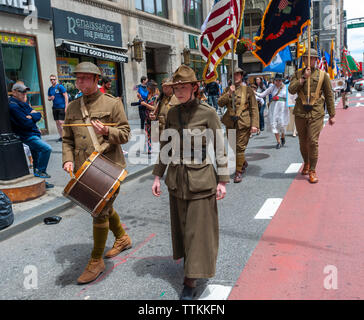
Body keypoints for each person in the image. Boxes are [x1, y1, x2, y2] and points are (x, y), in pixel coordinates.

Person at [152, 65, 229, 300]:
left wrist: (222, 180)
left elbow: (219, 147)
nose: (179, 92)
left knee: (198, 232)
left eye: (184, 87)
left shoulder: (208, 113)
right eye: (176, 88)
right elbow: (166, 146)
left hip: (201, 181)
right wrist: (157, 175)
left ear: (195, 88)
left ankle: (190, 280)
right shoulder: (172, 113)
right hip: (177, 181)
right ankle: (190, 265)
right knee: (183, 229)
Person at [62, 62, 132, 284]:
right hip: (84, 169)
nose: (80, 82)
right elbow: (67, 139)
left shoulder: (112, 103)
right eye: (78, 78)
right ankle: (122, 238)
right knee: (103, 207)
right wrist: (67, 160)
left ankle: (96, 261)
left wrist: (107, 131)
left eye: (84, 78)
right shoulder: (72, 107)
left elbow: (126, 133)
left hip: (108, 167)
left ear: (95, 80)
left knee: (99, 211)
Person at [288, 48, 336, 183]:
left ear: (316, 60)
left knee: (313, 142)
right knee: (302, 142)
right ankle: (306, 162)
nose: (308, 61)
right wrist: (303, 79)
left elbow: (329, 95)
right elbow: (291, 90)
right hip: (300, 112)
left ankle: (312, 170)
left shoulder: (323, 75)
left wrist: (332, 114)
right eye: (305, 58)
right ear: (303, 60)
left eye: (311, 58)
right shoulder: (298, 74)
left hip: (316, 112)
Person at [217, 67, 259, 183]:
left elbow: (254, 108)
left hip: (243, 123)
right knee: (232, 147)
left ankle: (238, 172)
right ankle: (243, 162)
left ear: (241, 76)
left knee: (240, 148)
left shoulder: (248, 90)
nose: (236, 76)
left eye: (238, 74)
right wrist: (229, 93)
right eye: (234, 74)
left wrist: (254, 125)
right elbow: (220, 103)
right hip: (230, 122)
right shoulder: (227, 89)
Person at [8, 83, 53, 186]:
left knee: (37, 159)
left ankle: (41, 183)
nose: (25, 94)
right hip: (27, 135)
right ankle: (41, 171)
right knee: (46, 149)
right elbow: (25, 123)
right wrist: (32, 116)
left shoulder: (22, 103)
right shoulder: (13, 105)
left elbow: (38, 114)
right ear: (14, 92)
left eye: (25, 91)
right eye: (22, 91)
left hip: (33, 133)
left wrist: (31, 116)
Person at [256, 73, 290, 149]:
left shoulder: (286, 87)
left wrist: (289, 105)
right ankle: (278, 142)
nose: (278, 82)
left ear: (282, 80)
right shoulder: (272, 88)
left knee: (282, 124)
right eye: (276, 80)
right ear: (274, 81)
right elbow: (262, 95)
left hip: (283, 108)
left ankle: (283, 136)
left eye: (280, 80)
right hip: (274, 108)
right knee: (274, 124)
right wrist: (254, 92)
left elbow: (291, 97)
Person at [48, 75, 69, 142]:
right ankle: (61, 136)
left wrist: (66, 106)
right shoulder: (50, 89)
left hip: (61, 107)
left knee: (61, 122)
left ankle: (66, 136)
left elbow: (66, 96)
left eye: (53, 79)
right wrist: (50, 98)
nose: (52, 80)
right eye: (51, 79)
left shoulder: (60, 87)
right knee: (57, 123)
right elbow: (48, 98)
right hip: (55, 107)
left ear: (56, 79)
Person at [140, 80, 159, 154]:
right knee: (147, 134)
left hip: (153, 118)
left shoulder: (156, 97)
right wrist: (141, 98)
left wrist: (145, 104)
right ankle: (149, 149)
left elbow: (154, 108)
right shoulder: (148, 95)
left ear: (150, 88)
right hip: (147, 117)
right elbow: (144, 103)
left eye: (147, 87)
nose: (146, 89)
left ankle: (154, 148)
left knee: (154, 134)